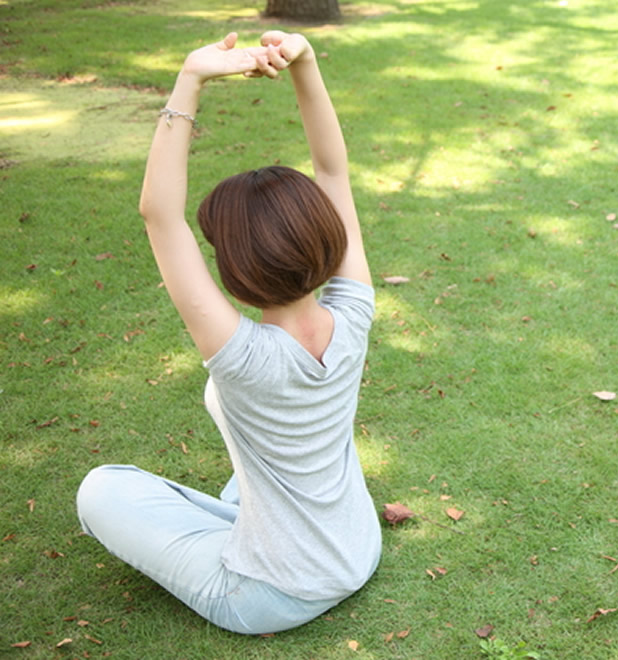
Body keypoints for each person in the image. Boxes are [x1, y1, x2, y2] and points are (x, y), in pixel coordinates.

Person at [75, 31, 381, 635]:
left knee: (102, 489)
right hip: (357, 551)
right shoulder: (355, 314)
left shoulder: (244, 357)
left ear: (237, 276)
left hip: (273, 594)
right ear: (329, 238)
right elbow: (333, 172)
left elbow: (159, 215)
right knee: (238, 489)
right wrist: (306, 62)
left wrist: (191, 77)